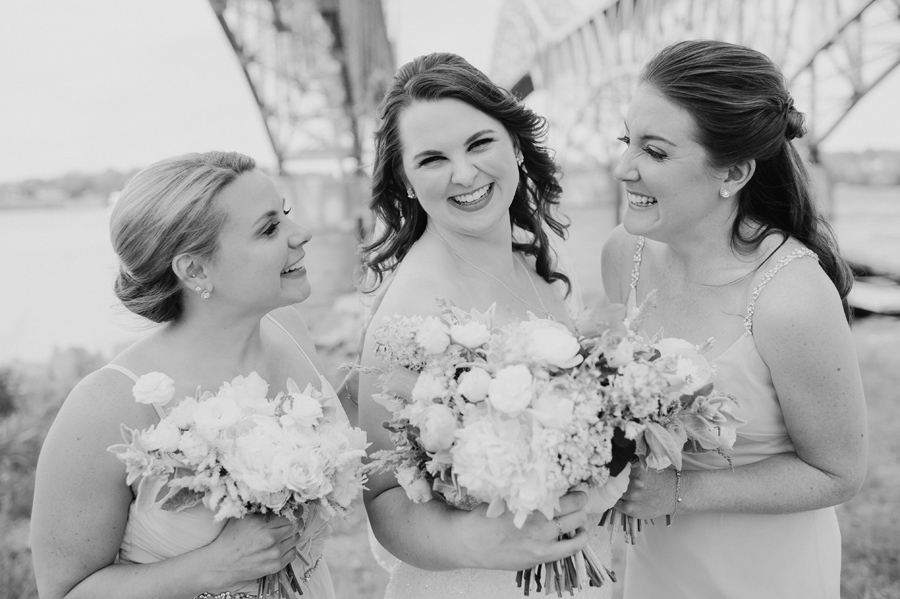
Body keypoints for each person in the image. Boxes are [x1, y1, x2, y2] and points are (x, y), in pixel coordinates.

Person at [601, 40, 868, 599]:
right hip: (655, 564)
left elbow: (837, 472)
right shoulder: (624, 254)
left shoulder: (791, 297)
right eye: (628, 140)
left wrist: (679, 493)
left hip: (764, 572)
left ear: (735, 171)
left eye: (654, 151)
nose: (623, 167)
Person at [357, 52, 614, 599]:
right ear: (404, 179)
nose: (466, 174)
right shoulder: (410, 315)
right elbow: (381, 495)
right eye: (432, 159)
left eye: (479, 143)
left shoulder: (541, 264)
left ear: (515, 145)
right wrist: (474, 543)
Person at [31, 151, 343, 599]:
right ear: (195, 269)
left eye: (286, 213)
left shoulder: (287, 330)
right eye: (270, 227)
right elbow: (63, 593)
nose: (302, 234)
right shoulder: (107, 403)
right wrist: (212, 568)